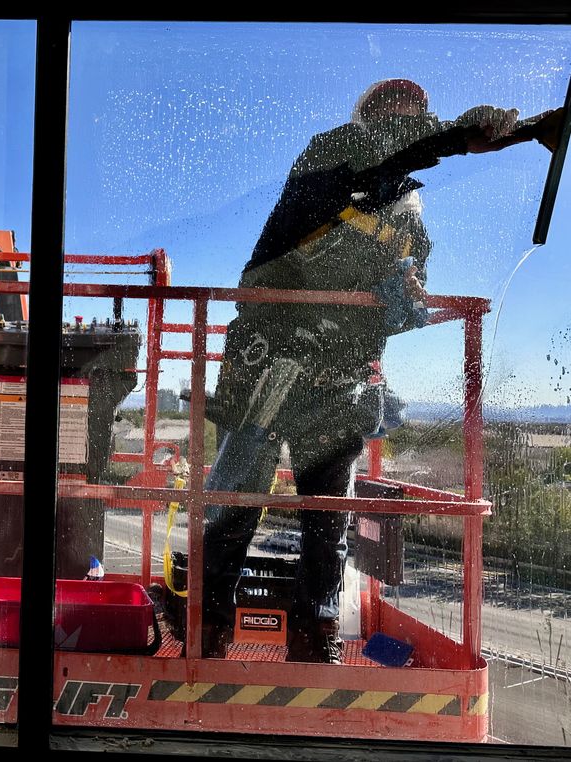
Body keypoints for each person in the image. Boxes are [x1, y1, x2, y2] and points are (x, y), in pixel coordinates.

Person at [199, 79, 523, 663]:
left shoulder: (407, 210)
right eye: (393, 114)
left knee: (328, 516)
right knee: (235, 498)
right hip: (269, 354)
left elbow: (410, 277)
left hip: (338, 374)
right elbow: (388, 148)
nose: (403, 121)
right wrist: (460, 134)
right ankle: (209, 624)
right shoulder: (330, 154)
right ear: (368, 121)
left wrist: (407, 288)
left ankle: (315, 631)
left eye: (415, 113)